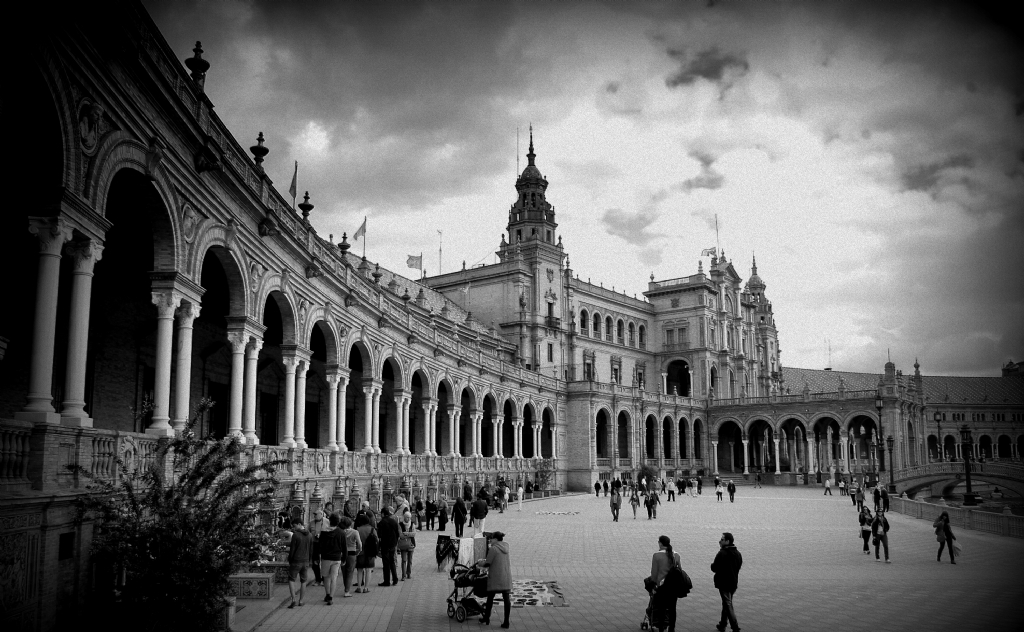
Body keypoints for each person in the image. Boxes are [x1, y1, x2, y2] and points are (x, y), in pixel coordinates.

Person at [648, 535, 682, 632]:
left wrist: (653, 585)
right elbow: (680, 570)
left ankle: (661, 628)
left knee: (661, 609)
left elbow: (654, 573)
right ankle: (672, 628)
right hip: (674, 586)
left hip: (662, 586)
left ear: (660, 543)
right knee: (672, 609)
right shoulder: (676, 555)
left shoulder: (657, 556)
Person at [479, 531, 513, 628]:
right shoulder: (506, 546)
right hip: (505, 576)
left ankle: (486, 617)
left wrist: (479, 563)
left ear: (496, 539)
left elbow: (487, 564)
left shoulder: (493, 549)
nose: (490, 540)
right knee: (506, 599)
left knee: (490, 598)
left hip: (496, 577)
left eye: (491, 538)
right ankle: (506, 622)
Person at [711, 532, 743, 632]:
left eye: (722, 539)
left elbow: (714, 567)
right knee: (726, 603)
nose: (719, 541)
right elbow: (738, 566)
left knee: (728, 604)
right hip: (733, 583)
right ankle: (722, 624)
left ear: (727, 541)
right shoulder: (738, 553)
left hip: (723, 583)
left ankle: (735, 627)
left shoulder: (722, 553)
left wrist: (713, 566)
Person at [319, 513, 347, 605]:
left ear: (329, 521)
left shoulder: (323, 532)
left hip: (326, 557)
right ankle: (331, 596)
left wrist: (316, 556)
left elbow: (320, 546)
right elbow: (344, 547)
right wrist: (344, 559)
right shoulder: (341, 532)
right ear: (338, 522)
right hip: (337, 558)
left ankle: (327, 594)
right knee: (334, 578)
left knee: (326, 577)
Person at [287, 516, 312, 608]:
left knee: (291, 579)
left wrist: (290, 559)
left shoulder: (296, 535)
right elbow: (311, 549)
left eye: (294, 526)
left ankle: (293, 599)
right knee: (303, 581)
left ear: (299, 524)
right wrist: (309, 560)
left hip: (296, 560)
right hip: (305, 561)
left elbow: (292, 550)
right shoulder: (309, 535)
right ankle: (301, 601)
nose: (293, 528)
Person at [376, 506, 400, 587]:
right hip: (393, 543)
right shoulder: (394, 521)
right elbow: (397, 533)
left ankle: (387, 581)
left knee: (386, 563)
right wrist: (395, 541)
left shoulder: (382, 522)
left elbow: (379, 535)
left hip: (385, 544)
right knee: (392, 561)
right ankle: (395, 579)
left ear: (383, 514)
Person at [354, 513, 376, 593]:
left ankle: (359, 587)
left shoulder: (358, 529)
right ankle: (366, 588)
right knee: (368, 570)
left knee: (359, 570)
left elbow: (355, 541)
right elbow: (376, 540)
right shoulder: (372, 529)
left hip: (360, 552)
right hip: (370, 552)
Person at [340, 516, 360, 597]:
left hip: (342, 553)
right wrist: (358, 550)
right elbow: (359, 543)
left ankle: (346, 587)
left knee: (344, 572)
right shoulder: (355, 532)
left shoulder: (341, 532)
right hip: (352, 553)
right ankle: (347, 591)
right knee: (350, 571)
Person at [307, 509, 326, 586]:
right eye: (314, 515)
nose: (315, 516)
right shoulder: (311, 522)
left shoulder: (326, 522)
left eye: (316, 514)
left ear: (321, 515)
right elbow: (307, 532)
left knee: (324, 562)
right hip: (314, 544)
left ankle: (324, 580)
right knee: (315, 562)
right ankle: (317, 579)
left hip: (324, 544)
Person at [398, 508, 416, 580]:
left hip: (411, 544)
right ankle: (403, 575)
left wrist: (406, 533)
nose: (408, 519)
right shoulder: (400, 524)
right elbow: (400, 535)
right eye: (407, 517)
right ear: (404, 517)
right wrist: (409, 534)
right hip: (403, 545)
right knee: (404, 560)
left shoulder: (412, 524)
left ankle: (409, 573)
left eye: (409, 517)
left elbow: (414, 534)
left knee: (410, 560)